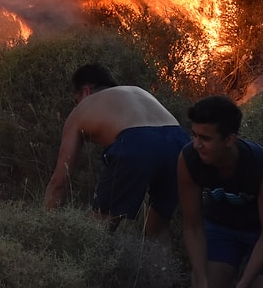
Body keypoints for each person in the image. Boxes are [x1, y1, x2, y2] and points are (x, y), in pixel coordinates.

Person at [43, 63, 191, 243]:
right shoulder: (137, 91)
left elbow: (59, 182)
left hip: (136, 142)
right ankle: (161, 270)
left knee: (95, 234)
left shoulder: (83, 108)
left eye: (77, 100)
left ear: (86, 91)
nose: (77, 105)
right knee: (156, 234)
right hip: (179, 142)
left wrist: (47, 230)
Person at [178, 95, 263, 288]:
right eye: (194, 135)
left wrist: (243, 283)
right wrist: (201, 278)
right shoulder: (188, 160)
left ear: (229, 139)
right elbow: (192, 226)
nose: (196, 145)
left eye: (205, 139)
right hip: (222, 225)